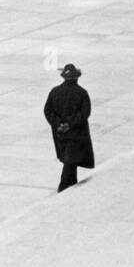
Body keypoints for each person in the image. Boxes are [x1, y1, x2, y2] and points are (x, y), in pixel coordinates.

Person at [45, 64, 94, 192]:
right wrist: (69, 124)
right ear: (77, 78)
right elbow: (85, 113)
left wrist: (58, 124)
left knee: (69, 160)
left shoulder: (54, 92)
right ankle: (64, 187)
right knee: (70, 160)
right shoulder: (82, 93)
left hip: (60, 133)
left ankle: (70, 184)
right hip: (76, 133)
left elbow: (48, 111)